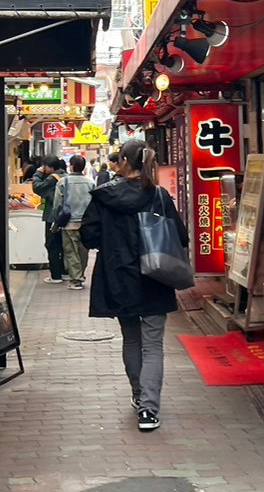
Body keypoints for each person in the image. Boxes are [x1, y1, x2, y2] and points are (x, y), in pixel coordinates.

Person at [81, 139, 186, 432]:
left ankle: (140, 396)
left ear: (124, 162)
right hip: (155, 276)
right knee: (153, 345)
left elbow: (88, 237)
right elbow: (181, 235)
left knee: (131, 340)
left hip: (118, 277)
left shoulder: (104, 197)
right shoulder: (160, 196)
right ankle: (149, 410)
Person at [59, 154, 95, 289]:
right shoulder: (90, 183)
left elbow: (58, 204)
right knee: (83, 251)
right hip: (85, 223)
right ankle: (80, 275)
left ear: (71, 166)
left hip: (69, 223)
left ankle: (76, 279)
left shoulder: (63, 182)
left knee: (71, 252)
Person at [30, 155, 67, 284]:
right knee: (63, 245)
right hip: (65, 216)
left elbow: (37, 188)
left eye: (44, 166)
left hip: (52, 216)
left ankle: (56, 275)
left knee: (52, 245)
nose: (43, 168)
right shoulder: (65, 175)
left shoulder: (52, 179)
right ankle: (64, 271)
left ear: (50, 167)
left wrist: (37, 174)